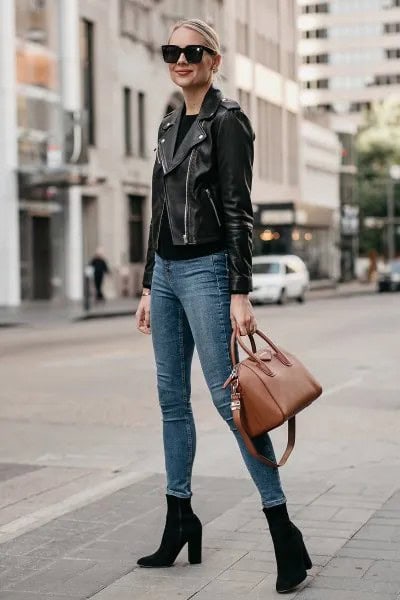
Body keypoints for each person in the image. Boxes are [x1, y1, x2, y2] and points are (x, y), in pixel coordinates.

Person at [135, 18, 312, 594]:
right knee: (169, 399)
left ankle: (285, 533)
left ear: (214, 59)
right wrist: (145, 284)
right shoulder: (166, 126)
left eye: (192, 51)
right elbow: (159, 211)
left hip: (209, 270)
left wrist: (240, 289)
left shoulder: (228, 121)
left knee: (231, 402)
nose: (180, 59)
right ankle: (180, 518)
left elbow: (239, 209)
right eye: (172, 51)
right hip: (165, 270)